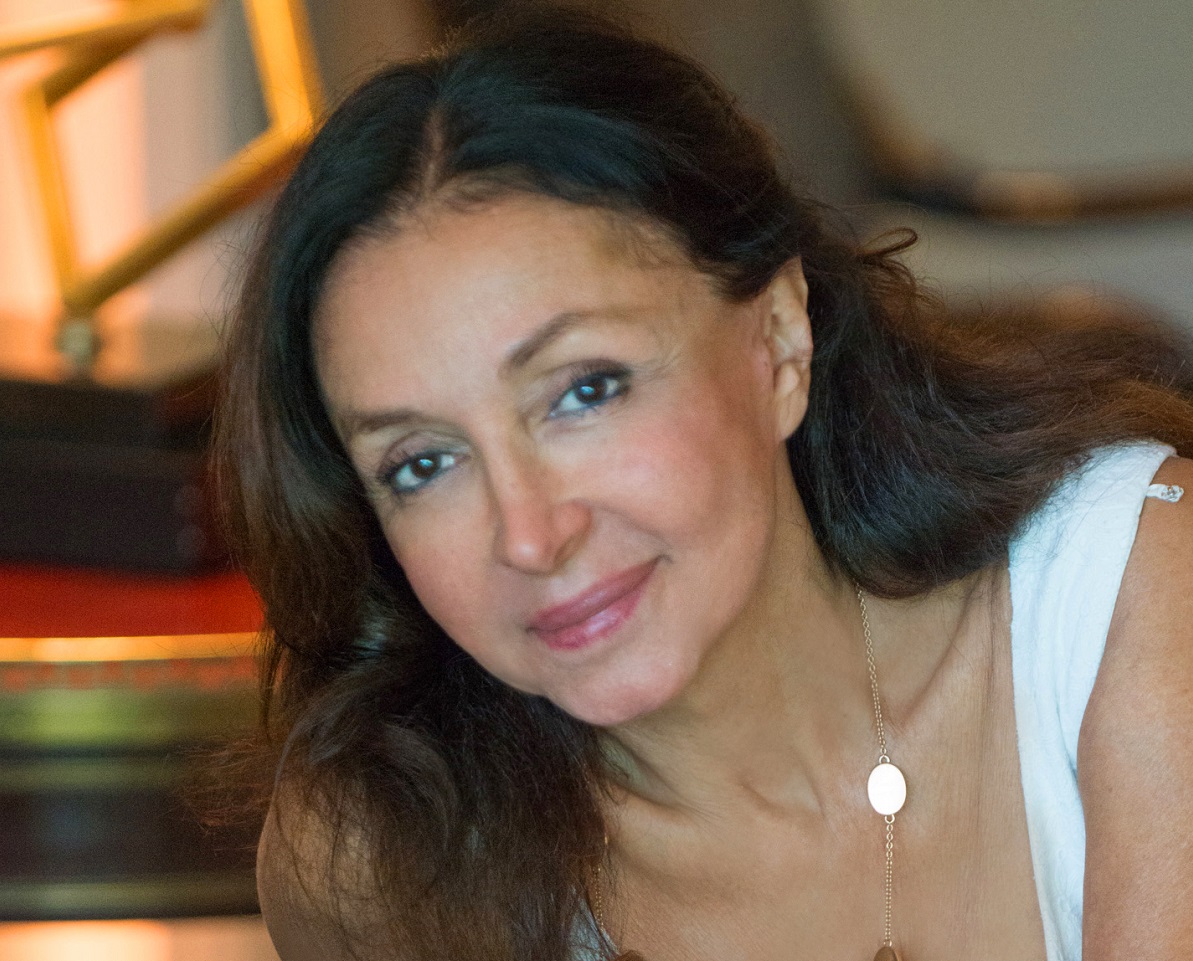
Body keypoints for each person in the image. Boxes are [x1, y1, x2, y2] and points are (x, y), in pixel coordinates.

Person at [216, 4, 1193, 959]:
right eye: (422, 463)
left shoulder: (1131, 596)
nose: (529, 535)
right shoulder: (384, 862)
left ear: (779, 341)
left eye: (584, 390)